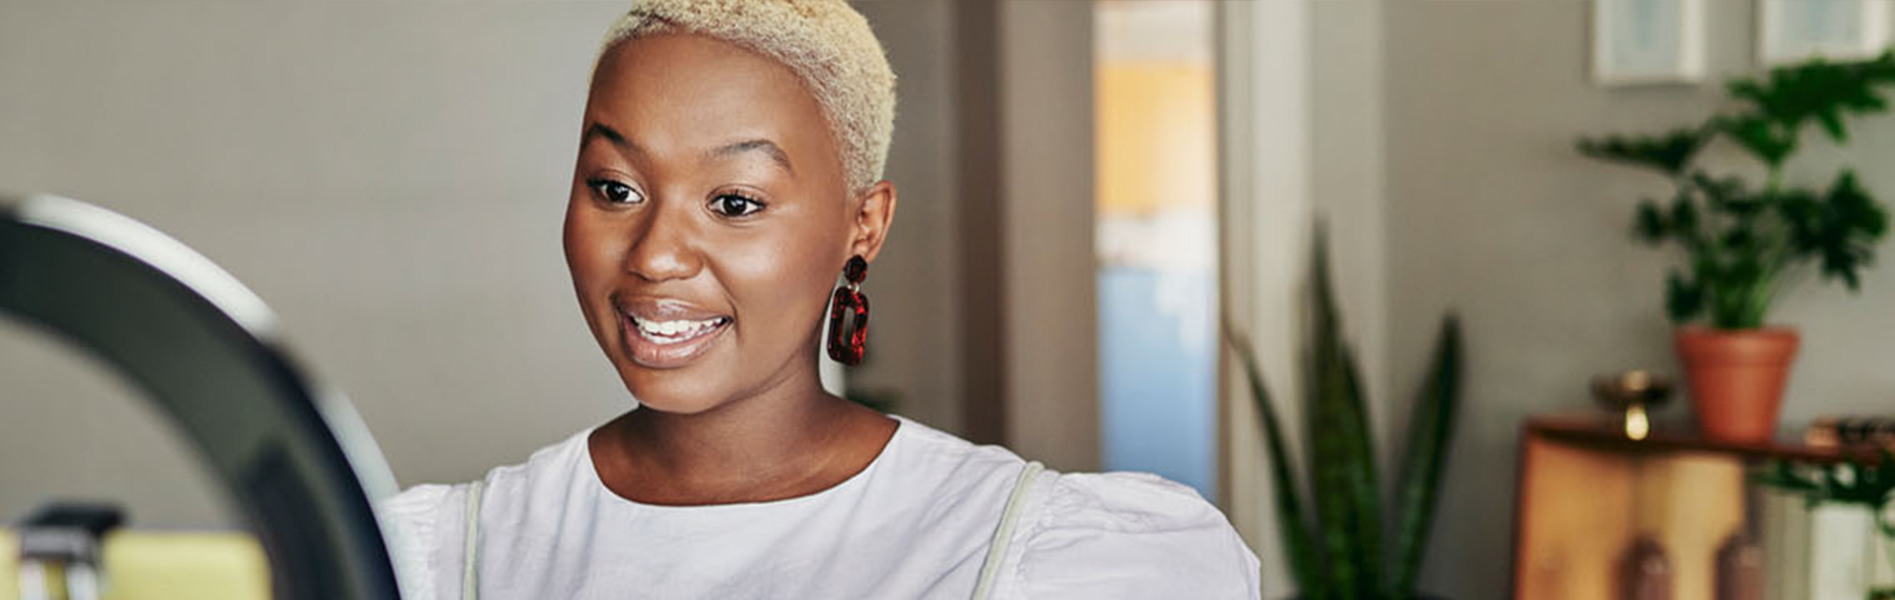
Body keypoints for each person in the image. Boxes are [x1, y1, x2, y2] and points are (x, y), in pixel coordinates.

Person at [380, 1, 1260, 597]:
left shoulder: (1032, 552)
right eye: (615, 188)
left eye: (735, 203)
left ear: (863, 225)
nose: (655, 255)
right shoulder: (448, 554)